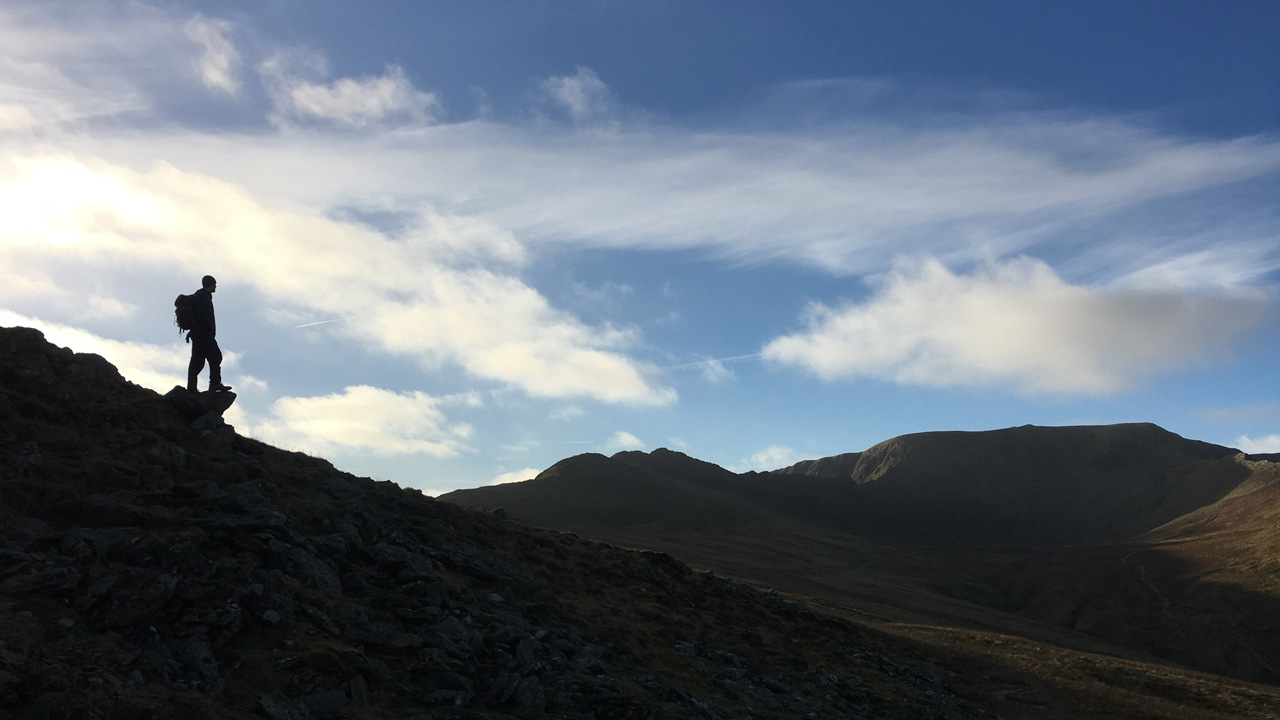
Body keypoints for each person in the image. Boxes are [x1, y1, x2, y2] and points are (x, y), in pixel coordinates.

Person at [187, 275, 230, 393]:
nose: (216, 286)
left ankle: (192, 388)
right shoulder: (203, 297)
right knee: (215, 357)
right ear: (209, 284)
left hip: (199, 334)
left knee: (198, 361)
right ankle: (214, 384)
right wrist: (207, 330)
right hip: (203, 334)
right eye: (214, 283)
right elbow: (202, 315)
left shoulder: (201, 295)